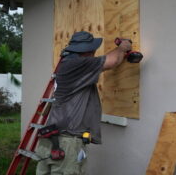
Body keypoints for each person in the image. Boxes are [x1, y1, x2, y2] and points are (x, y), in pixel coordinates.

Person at [36, 31, 132, 175]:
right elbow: (113, 61)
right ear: (87, 51)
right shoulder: (79, 64)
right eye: (92, 50)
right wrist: (122, 48)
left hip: (52, 139)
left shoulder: (67, 63)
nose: (94, 53)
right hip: (66, 143)